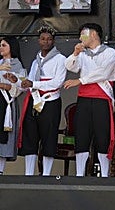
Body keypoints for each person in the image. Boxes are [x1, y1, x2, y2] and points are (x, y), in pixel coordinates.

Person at [63, 23, 115, 177]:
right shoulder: (82, 54)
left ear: (94, 34)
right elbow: (70, 67)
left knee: (102, 136)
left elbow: (103, 73)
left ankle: (105, 175)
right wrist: (75, 53)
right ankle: (80, 174)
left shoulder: (110, 53)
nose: (81, 38)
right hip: (84, 99)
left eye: (83, 34)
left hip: (101, 99)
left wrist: (80, 81)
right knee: (82, 135)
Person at [18, 26, 67, 176]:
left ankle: (46, 175)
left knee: (49, 136)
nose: (45, 42)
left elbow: (57, 82)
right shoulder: (35, 61)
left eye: (49, 39)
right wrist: (20, 82)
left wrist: (34, 84)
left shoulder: (61, 59)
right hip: (35, 100)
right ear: (38, 41)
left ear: (53, 41)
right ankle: (28, 174)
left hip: (50, 101)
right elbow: (29, 83)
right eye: (43, 39)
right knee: (30, 137)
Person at [0, 37, 25, 175]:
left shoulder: (18, 66)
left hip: (6, 103)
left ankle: (1, 170)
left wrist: (6, 84)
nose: (1, 47)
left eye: (4, 45)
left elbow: (18, 89)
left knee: (4, 136)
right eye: (0, 45)